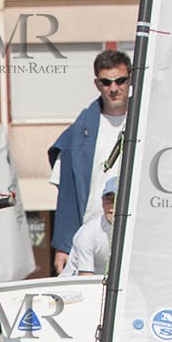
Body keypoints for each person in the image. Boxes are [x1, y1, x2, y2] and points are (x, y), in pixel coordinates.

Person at [49, 50, 131, 275]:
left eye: (120, 80)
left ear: (130, 78)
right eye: (106, 82)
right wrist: (64, 245)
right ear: (97, 84)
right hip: (93, 235)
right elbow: (67, 191)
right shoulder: (78, 133)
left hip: (135, 230)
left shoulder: (146, 122)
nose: (113, 88)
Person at [59, 175, 117, 277]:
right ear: (102, 201)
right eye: (108, 200)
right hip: (74, 287)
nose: (111, 207)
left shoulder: (136, 231)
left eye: (117, 201)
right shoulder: (88, 233)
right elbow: (85, 277)